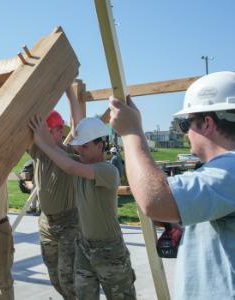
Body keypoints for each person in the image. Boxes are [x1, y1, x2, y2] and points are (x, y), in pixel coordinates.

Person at [109, 71, 235, 299]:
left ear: (207, 123)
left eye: (185, 124)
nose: (185, 133)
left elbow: (155, 200)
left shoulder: (231, 168)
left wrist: (131, 133)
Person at [30, 115, 136, 299]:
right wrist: (43, 137)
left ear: (100, 145)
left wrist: (41, 141)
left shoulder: (107, 171)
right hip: (84, 247)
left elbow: (69, 166)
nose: (80, 150)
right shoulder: (82, 162)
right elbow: (60, 153)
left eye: (85, 146)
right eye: (79, 146)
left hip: (109, 250)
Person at [26, 86, 83, 299]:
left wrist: (69, 92)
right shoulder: (38, 151)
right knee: (55, 276)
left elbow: (78, 124)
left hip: (69, 223)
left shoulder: (68, 153)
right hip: (46, 222)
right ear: (44, 132)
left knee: (68, 277)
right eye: (56, 128)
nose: (61, 131)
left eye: (61, 128)